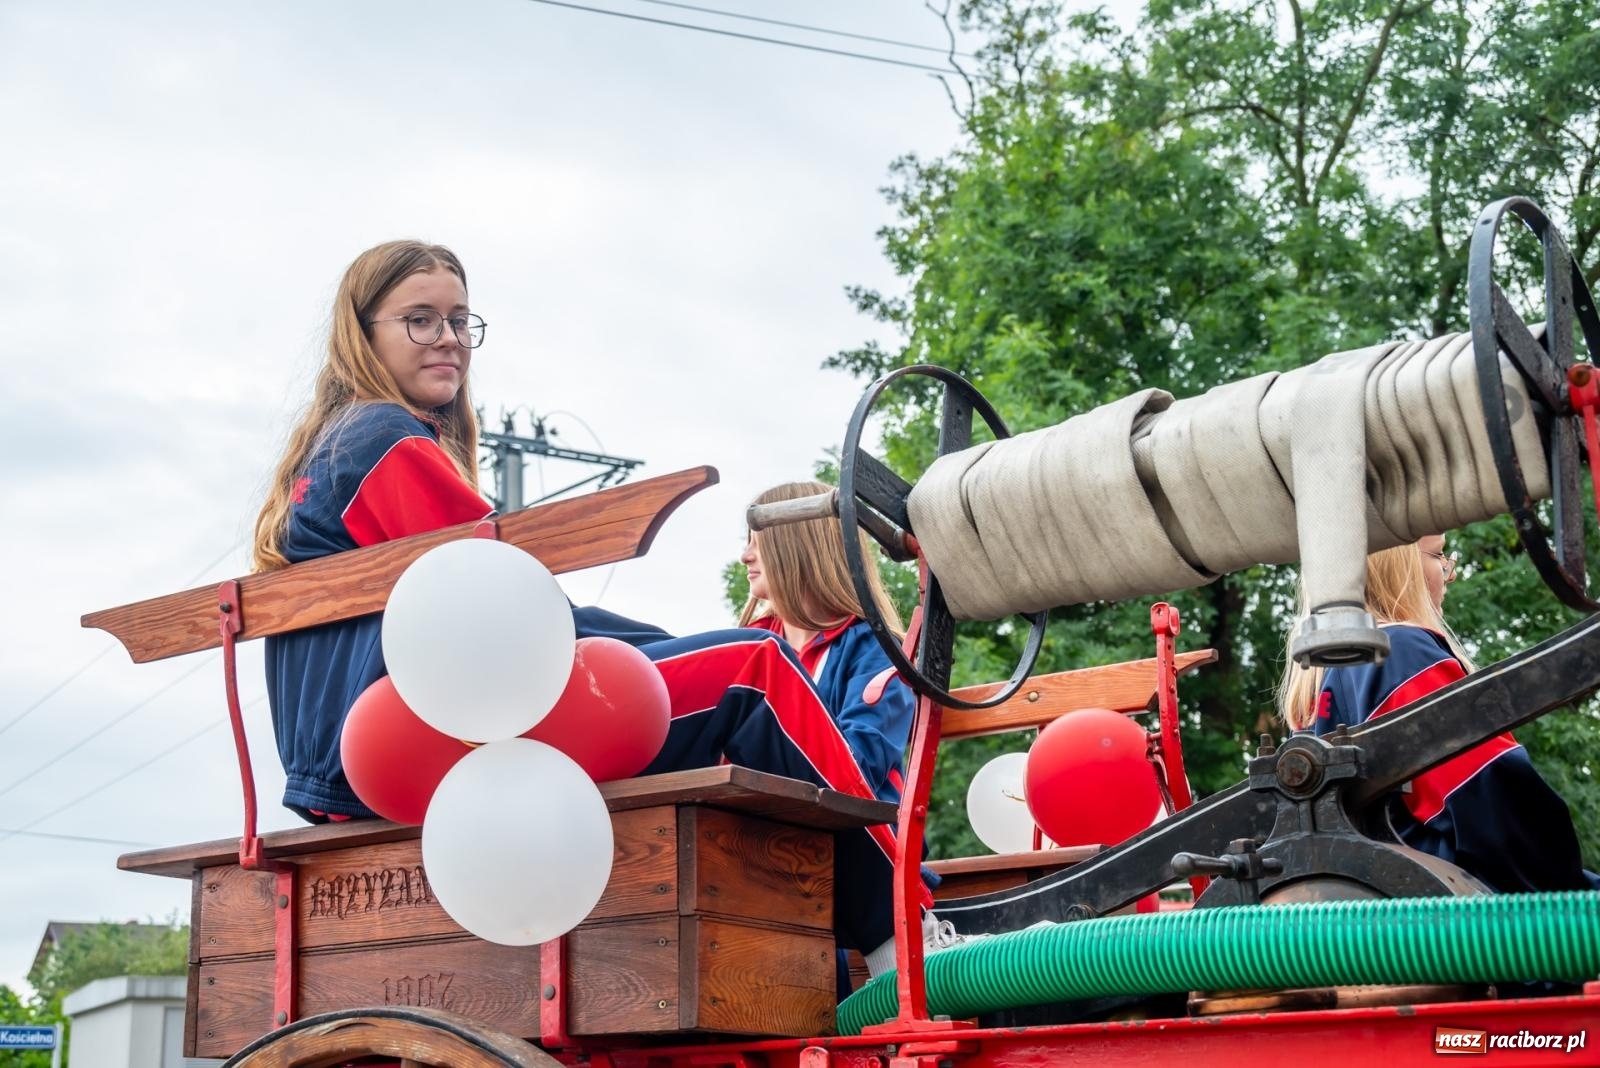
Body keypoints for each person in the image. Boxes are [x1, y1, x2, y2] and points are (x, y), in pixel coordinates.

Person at [251, 240, 913, 970]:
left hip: (370, 750)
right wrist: (658, 643)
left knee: (707, 666)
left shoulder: (337, 448)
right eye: (419, 320)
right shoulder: (384, 441)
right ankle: (901, 933)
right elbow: (520, 614)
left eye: (459, 321)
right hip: (426, 738)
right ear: (362, 330)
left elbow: (500, 611)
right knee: (747, 665)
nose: (446, 338)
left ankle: (803, 930)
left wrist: (648, 645)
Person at [1278, 535, 1598, 894]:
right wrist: (1569, 881)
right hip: (1461, 919)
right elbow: (1500, 809)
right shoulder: (1398, 654)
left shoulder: (1316, 687)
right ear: (1398, 564)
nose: (1449, 573)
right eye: (1440, 554)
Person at [737, 480, 916, 807]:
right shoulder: (748, 646)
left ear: (799, 547)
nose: (744, 556)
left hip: (850, 838)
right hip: (752, 830)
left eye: (758, 542)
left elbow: (856, 772)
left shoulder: (875, 650)